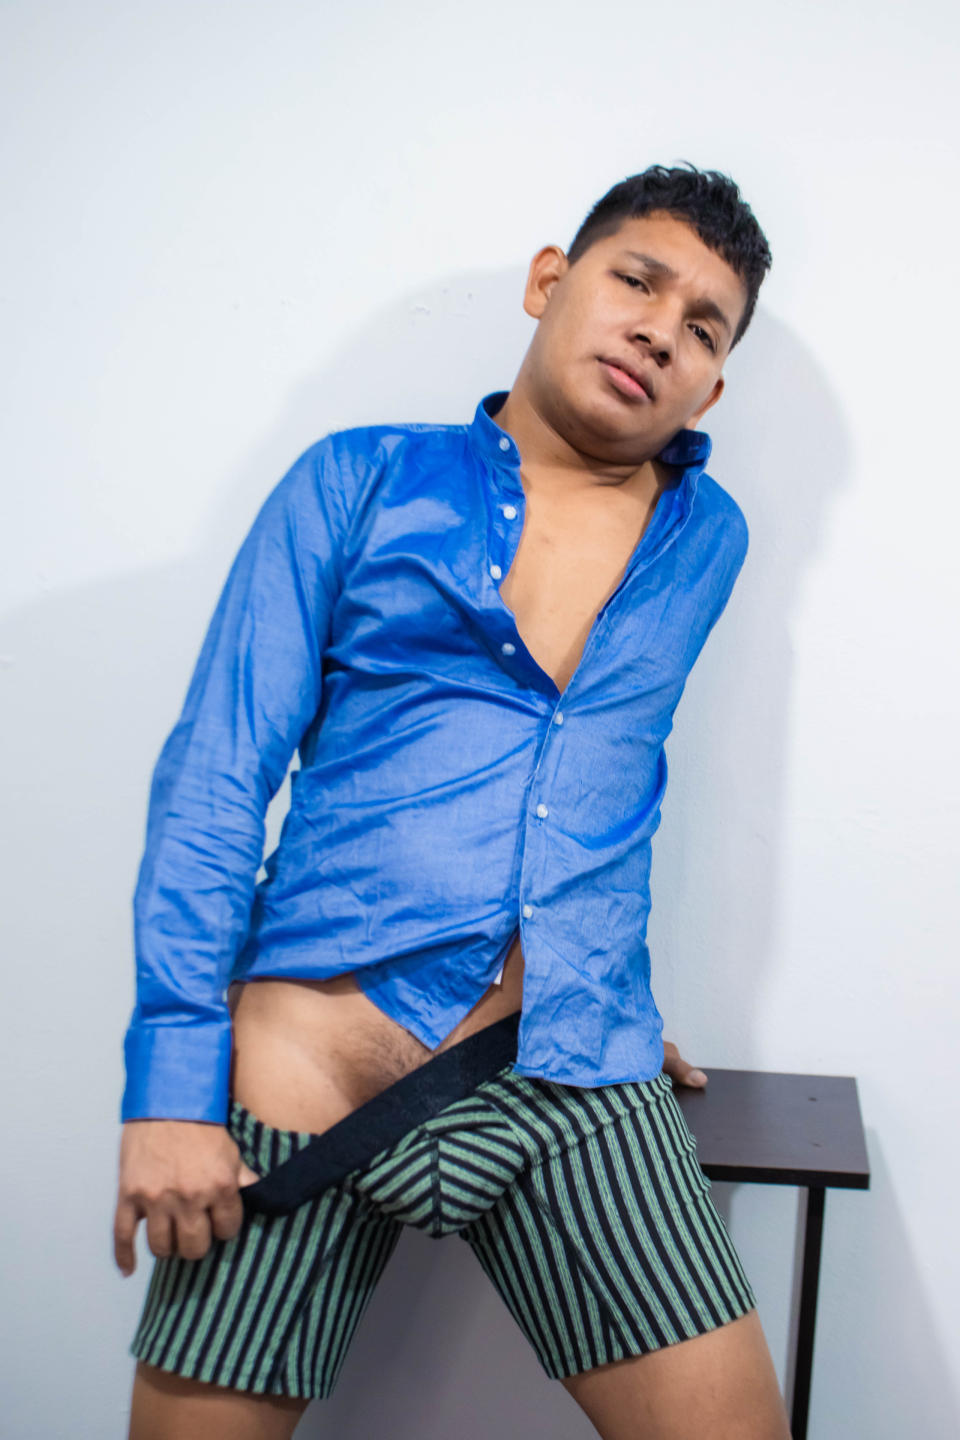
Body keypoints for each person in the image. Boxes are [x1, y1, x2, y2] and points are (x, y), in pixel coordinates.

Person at [114, 162, 792, 1439]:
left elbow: (612, 775)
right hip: (302, 1081)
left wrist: (599, 976)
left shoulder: (712, 540)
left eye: (705, 328)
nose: (662, 330)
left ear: (713, 387)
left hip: (563, 1075)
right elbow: (216, 781)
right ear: (550, 282)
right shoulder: (353, 481)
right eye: (637, 281)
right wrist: (166, 1088)